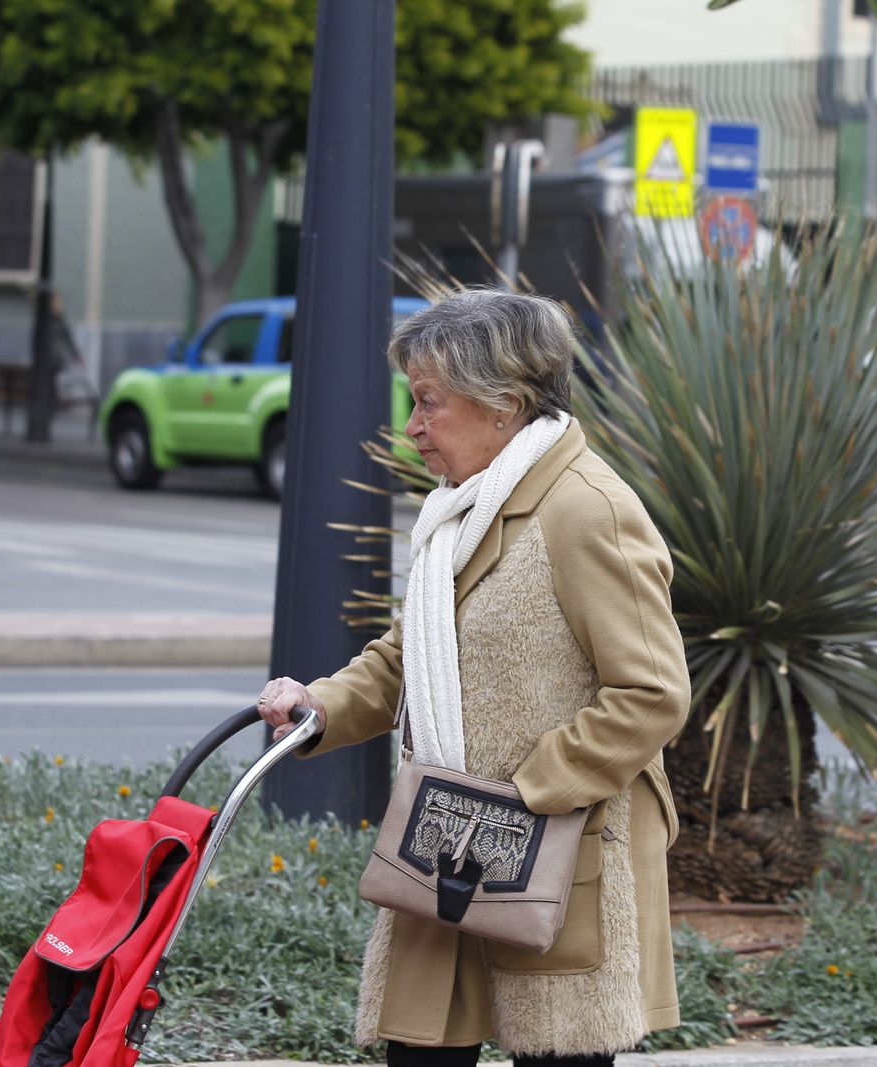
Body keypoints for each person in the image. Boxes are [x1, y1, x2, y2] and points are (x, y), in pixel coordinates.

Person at [257, 289, 689, 1067]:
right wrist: (318, 704)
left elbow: (651, 692)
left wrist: (526, 794)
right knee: (421, 1051)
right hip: (454, 842)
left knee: (558, 1057)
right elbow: (404, 661)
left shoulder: (588, 509)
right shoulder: (460, 512)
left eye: (428, 402)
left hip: (557, 845)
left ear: (503, 404)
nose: (412, 427)